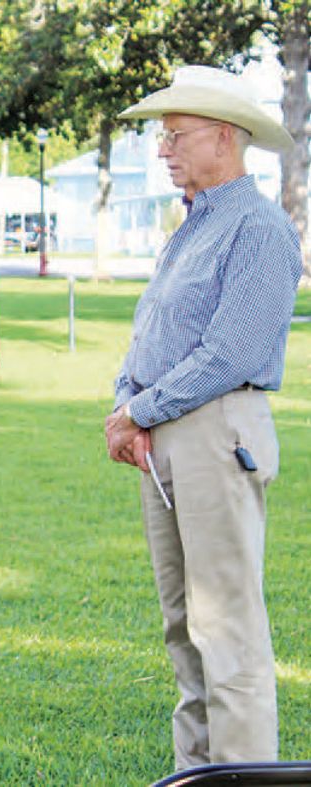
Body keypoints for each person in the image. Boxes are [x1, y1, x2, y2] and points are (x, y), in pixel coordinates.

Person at [106, 65, 301, 769]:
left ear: (224, 137)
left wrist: (138, 409)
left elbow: (228, 351)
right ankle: (199, 773)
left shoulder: (257, 227)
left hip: (217, 432)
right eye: (164, 136)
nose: (164, 148)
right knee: (186, 626)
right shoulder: (196, 225)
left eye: (176, 135)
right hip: (169, 435)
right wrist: (128, 402)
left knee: (228, 627)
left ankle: (244, 775)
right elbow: (159, 330)